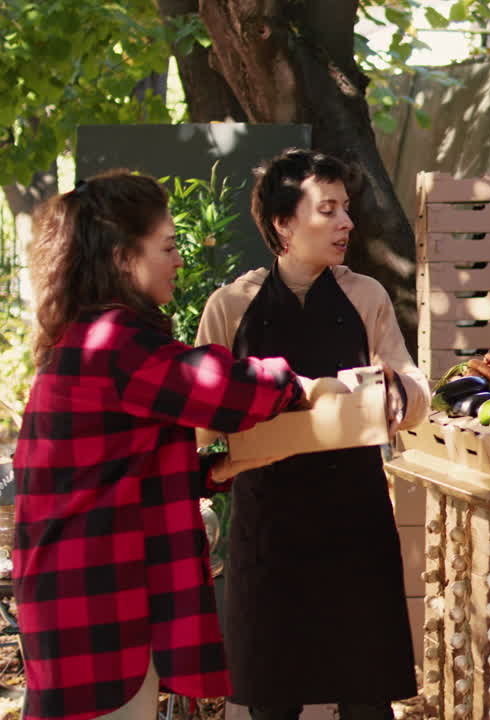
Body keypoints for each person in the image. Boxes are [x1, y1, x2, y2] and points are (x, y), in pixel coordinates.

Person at [13, 170, 309, 720]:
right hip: (95, 601)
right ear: (124, 258)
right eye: (167, 247)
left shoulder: (83, 339)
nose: (179, 261)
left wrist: (221, 464)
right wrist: (303, 386)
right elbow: (222, 387)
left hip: (75, 595)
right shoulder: (115, 345)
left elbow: (124, 469)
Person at [195, 149, 429, 720]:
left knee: (366, 697)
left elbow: (414, 387)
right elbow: (202, 424)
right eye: (328, 209)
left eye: (346, 208)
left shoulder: (366, 296)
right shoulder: (230, 307)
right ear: (282, 223)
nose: (347, 222)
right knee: (273, 702)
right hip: (268, 525)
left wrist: (396, 394)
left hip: (354, 517)